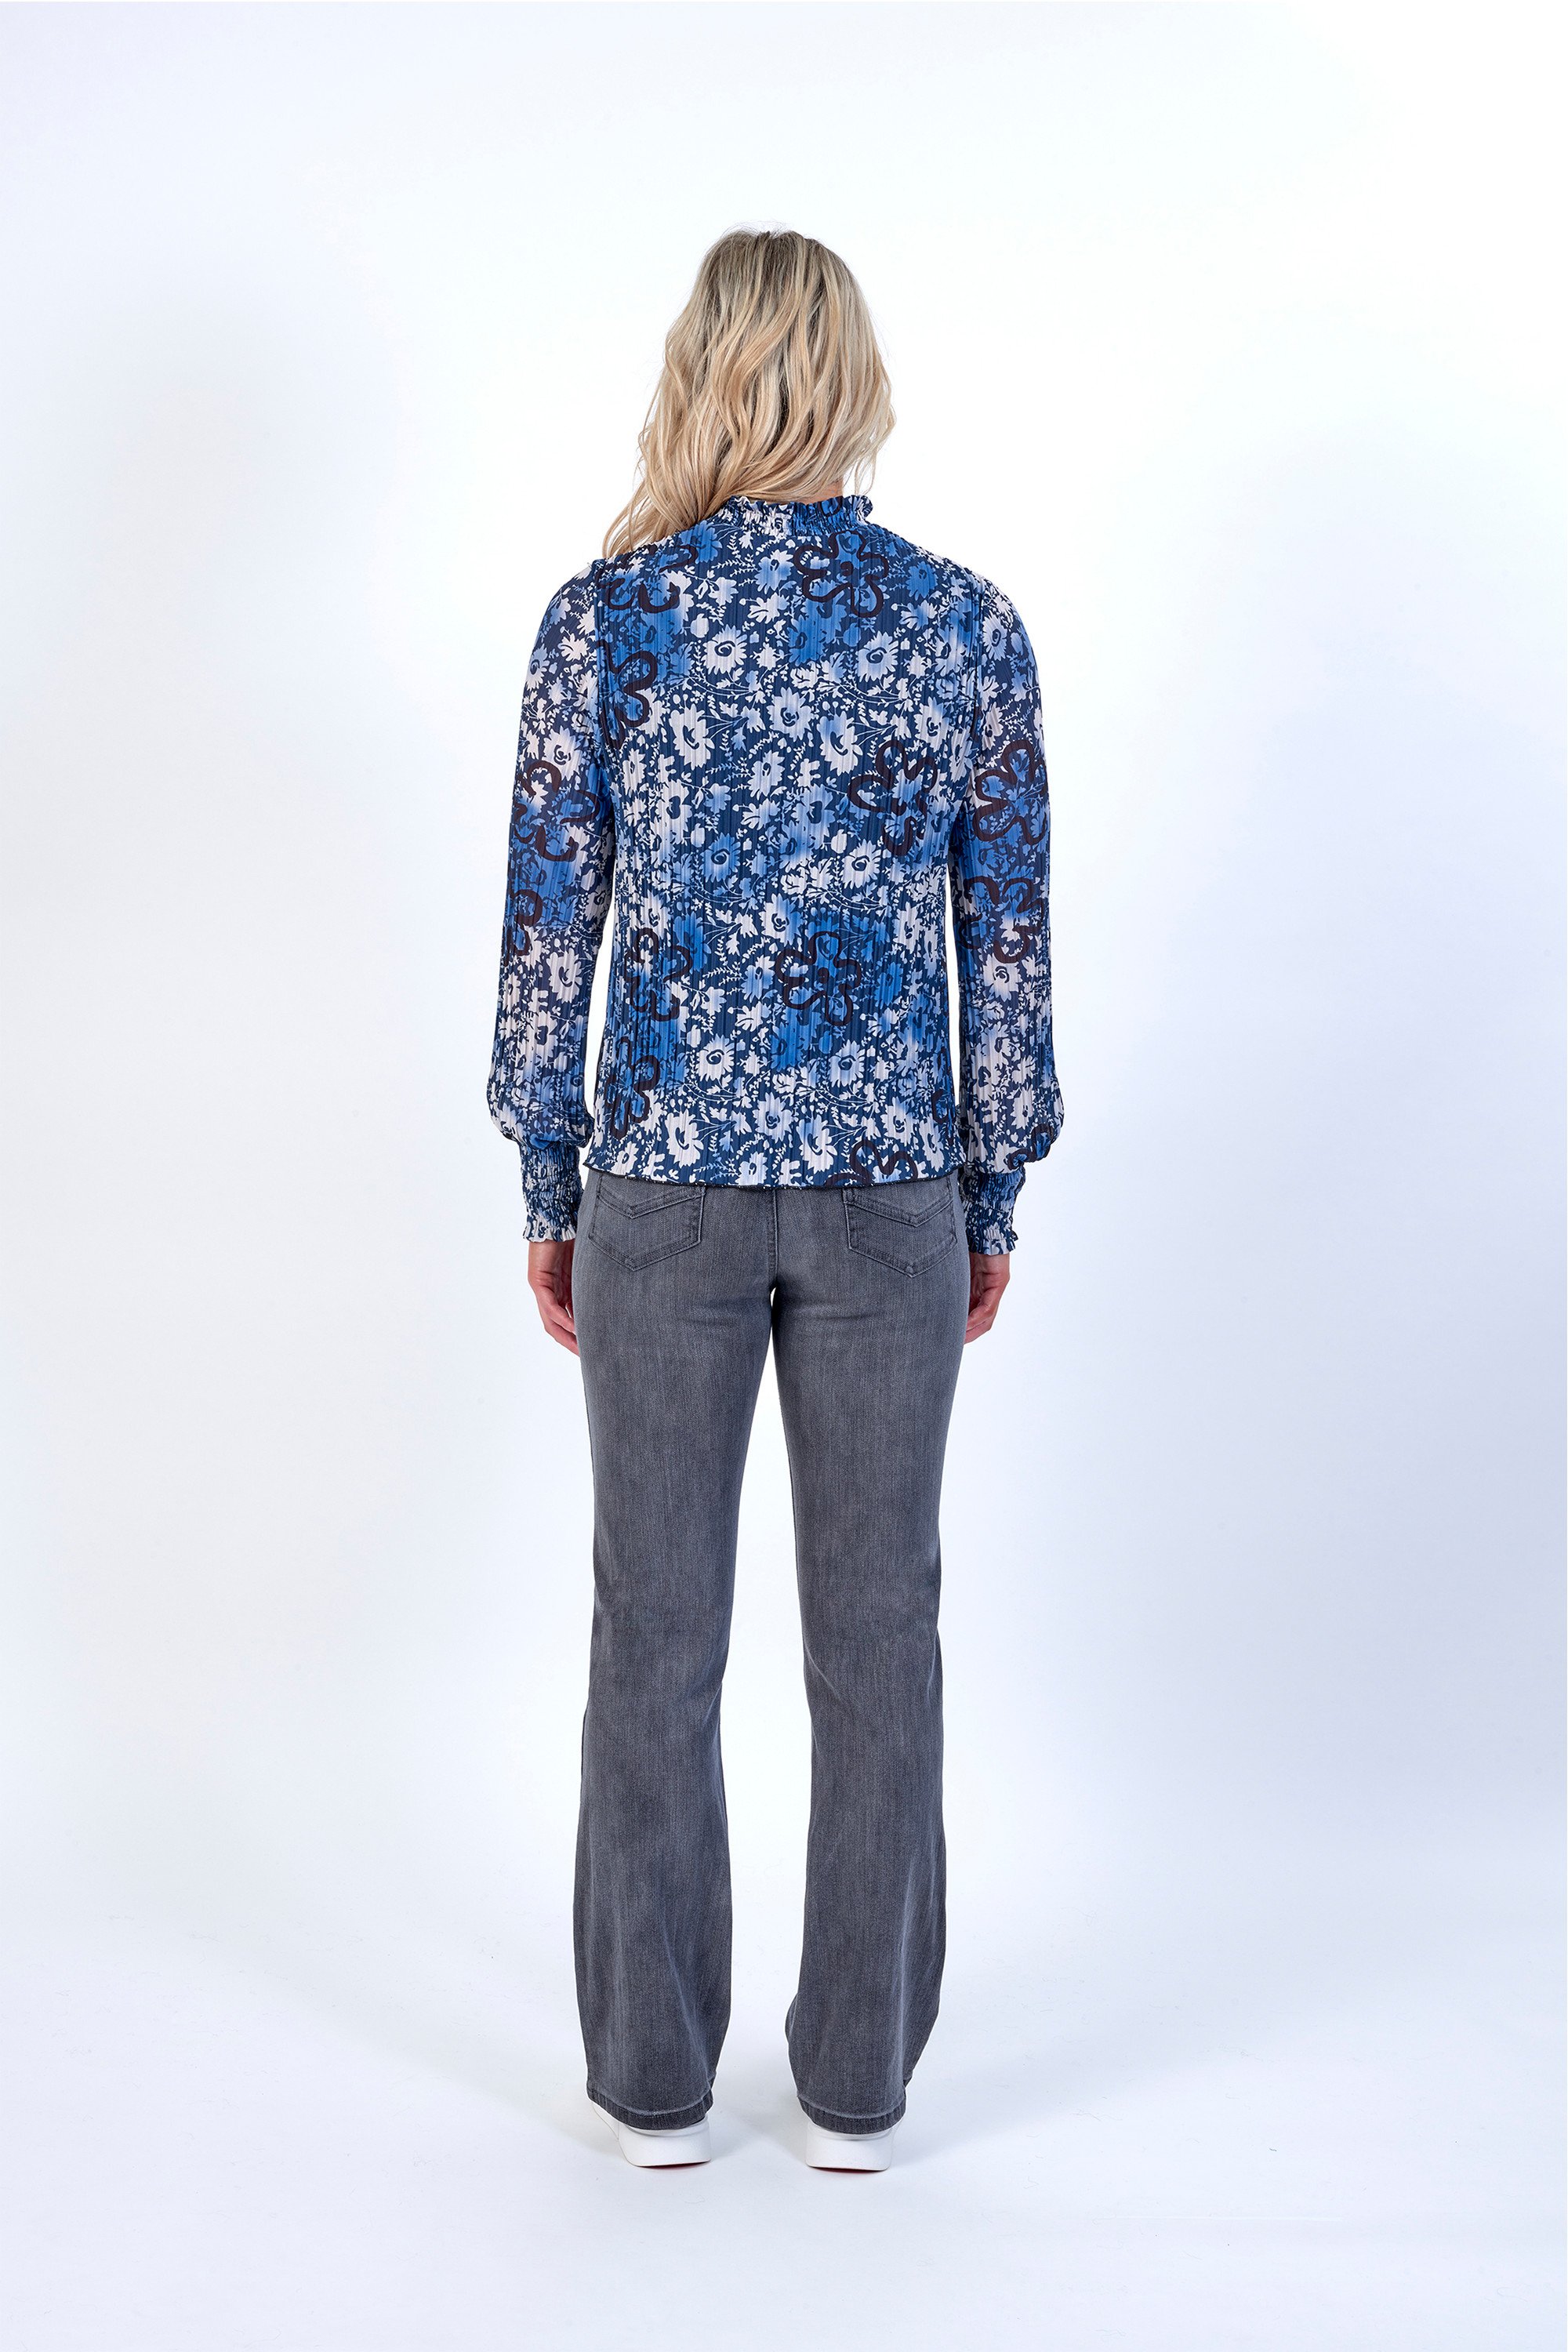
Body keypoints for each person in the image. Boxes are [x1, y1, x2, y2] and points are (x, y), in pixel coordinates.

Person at [487, 227, 1062, 2172]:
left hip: (660, 1187)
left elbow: (548, 940)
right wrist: (992, 1188)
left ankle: (654, 2082)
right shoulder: (963, 626)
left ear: (701, 369)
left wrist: (549, 1176)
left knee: (653, 1632)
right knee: (879, 1632)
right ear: (854, 373)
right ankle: (855, 2088)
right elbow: (1008, 943)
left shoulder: (609, 624)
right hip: (893, 1192)